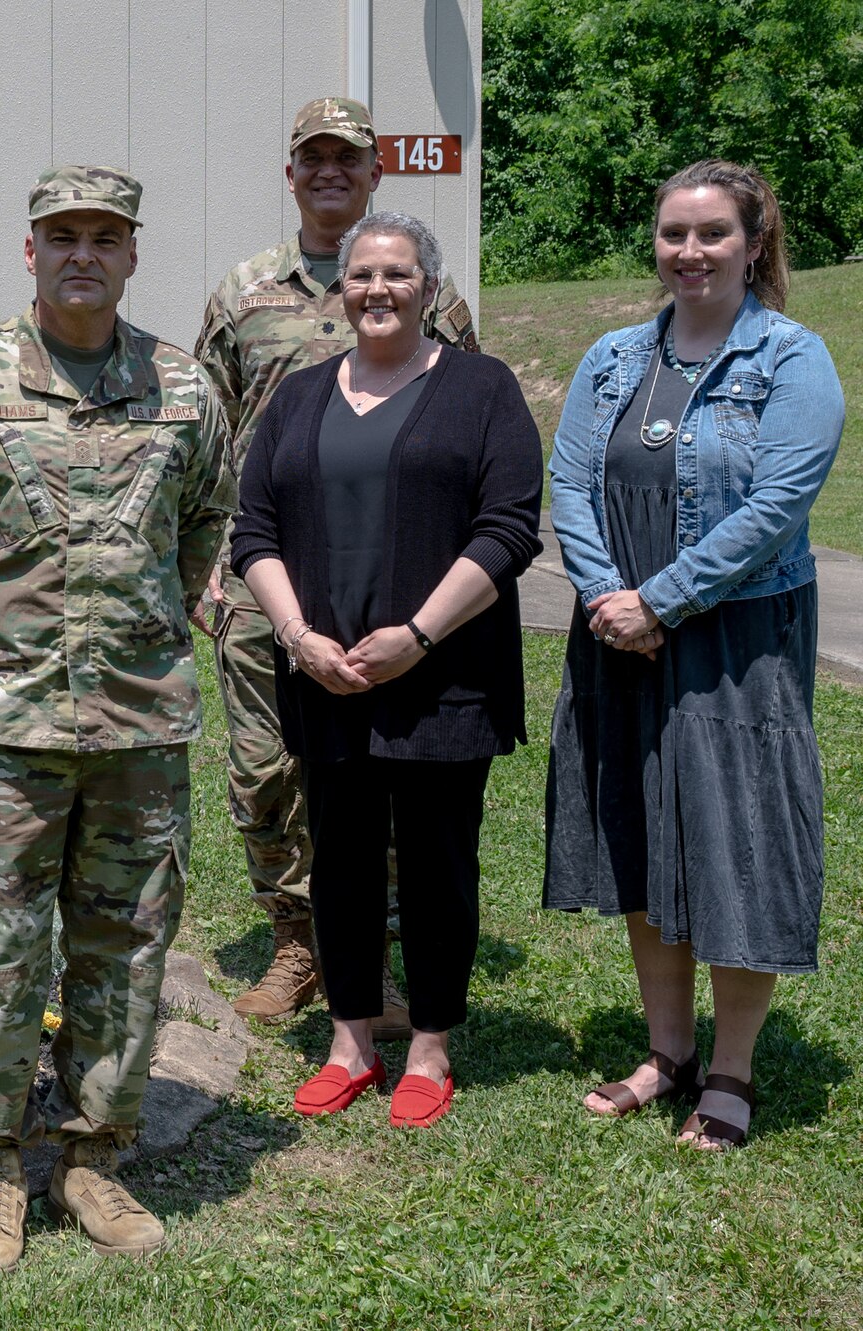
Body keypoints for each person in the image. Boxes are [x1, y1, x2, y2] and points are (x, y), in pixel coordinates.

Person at [0, 166, 235, 1278]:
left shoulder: (182, 388)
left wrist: (148, 624)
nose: (83, 253)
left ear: (131, 253)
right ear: (28, 251)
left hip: (137, 723)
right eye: (61, 235)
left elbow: (205, 519)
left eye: (104, 236)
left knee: (126, 942)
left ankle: (91, 1153)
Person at [543, 160, 844, 1149]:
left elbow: (772, 509)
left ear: (753, 243)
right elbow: (570, 482)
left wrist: (660, 600)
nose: (688, 252)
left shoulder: (791, 360)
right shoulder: (615, 356)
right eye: (673, 233)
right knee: (638, 832)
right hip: (616, 633)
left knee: (732, 841)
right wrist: (605, 596)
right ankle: (665, 1050)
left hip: (735, 636)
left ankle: (729, 1069)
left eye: (711, 233)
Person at [229, 211, 543, 1128]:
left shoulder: (481, 389)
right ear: (342, 288)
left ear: (428, 288)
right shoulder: (298, 397)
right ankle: (351, 1039)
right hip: (328, 676)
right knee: (344, 864)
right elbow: (256, 530)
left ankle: (433, 1043)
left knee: (441, 864)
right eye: (362, 274)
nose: (377, 289)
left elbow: (510, 527)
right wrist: (297, 637)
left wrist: (420, 633)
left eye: (397, 274)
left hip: (442, 676)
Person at [195, 97, 481, 1037]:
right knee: (267, 769)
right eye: (312, 158)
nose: (329, 173)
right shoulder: (243, 292)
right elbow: (202, 436)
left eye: (346, 160)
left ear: (372, 175)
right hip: (263, 580)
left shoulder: (427, 290)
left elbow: (463, 430)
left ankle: (373, 953)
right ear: (291, 174)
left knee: (379, 767)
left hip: (385, 581)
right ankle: (297, 942)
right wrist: (201, 563)